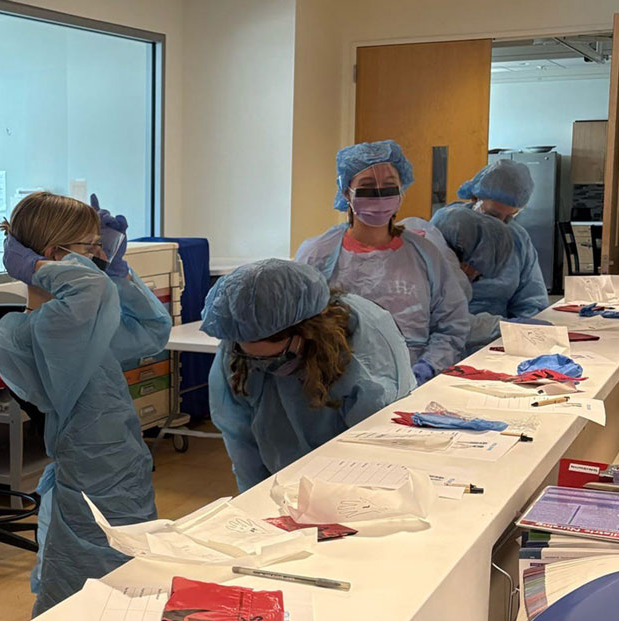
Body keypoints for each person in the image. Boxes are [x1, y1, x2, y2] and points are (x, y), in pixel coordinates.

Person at [0, 191, 171, 616]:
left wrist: (119, 271)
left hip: (119, 473)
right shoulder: (48, 329)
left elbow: (153, 330)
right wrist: (43, 267)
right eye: (91, 247)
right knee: (96, 605)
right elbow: (88, 285)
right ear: (54, 257)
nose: (101, 255)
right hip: (97, 485)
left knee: (121, 596)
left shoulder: (82, 326)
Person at [202, 260, 414, 491]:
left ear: (307, 331)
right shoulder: (240, 343)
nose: (266, 367)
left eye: (278, 358)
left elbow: (375, 441)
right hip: (283, 478)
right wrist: (256, 500)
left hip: (359, 473)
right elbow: (239, 437)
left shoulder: (361, 345)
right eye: (254, 358)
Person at [295, 140, 469, 386]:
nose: (379, 195)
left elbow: (451, 325)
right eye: (366, 187)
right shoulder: (318, 255)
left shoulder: (426, 256)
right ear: (346, 192)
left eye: (389, 187)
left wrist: (428, 367)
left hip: (414, 384)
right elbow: (301, 325)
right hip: (335, 385)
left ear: (401, 191)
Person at [430, 159, 549, 319]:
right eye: (492, 215)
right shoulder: (448, 226)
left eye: (508, 218)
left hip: (502, 335)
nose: (499, 224)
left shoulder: (518, 239)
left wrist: (520, 332)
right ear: (475, 198)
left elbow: (531, 300)